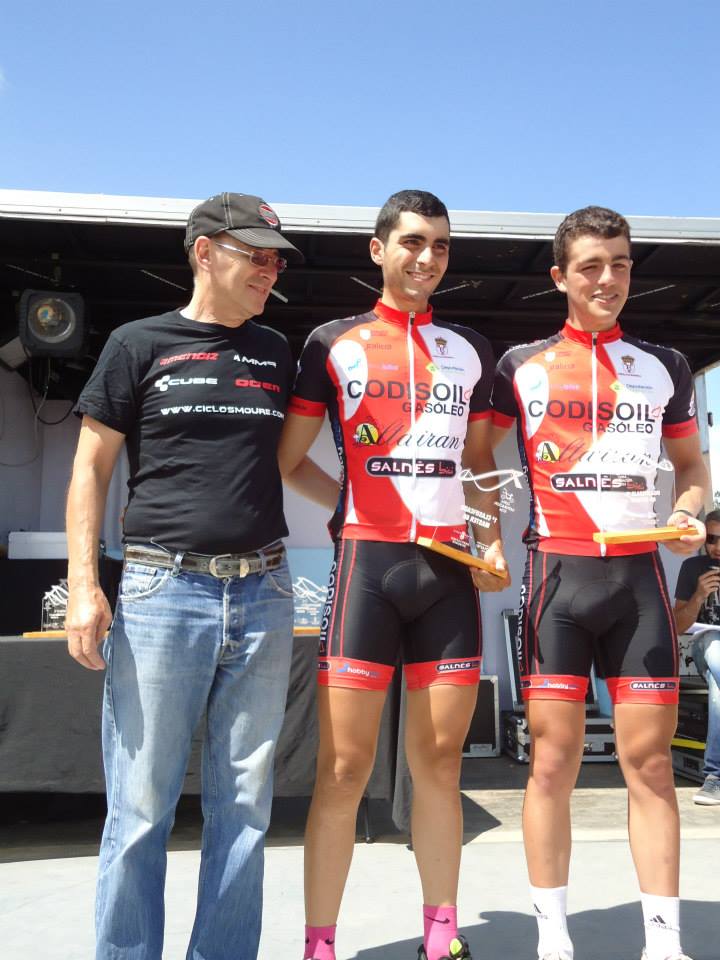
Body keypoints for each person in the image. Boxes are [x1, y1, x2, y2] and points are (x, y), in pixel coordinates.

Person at [65, 192, 303, 960]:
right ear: (205, 252)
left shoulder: (277, 351)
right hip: (162, 592)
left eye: (275, 259)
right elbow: (90, 468)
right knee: (140, 809)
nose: (269, 270)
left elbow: (294, 461)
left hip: (264, 592)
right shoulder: (137, 343)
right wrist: (84, 584)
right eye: (254, 254)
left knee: (246, 810)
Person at [278, 189, 509, 960]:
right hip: (367, 568)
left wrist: (490, 541)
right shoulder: (332, 342)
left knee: (439, 764)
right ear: (378, 249)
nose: (427, 257)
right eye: (412, 241)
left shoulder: (470, 348)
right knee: (344, 768)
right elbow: (289, 460)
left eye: (440, 245)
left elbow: (479, 463)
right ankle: (319, 945)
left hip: (448, 574)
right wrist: (354, 504)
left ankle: (441, 937)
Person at [490, 206, 707, 960]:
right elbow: (475, 461)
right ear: (560, 276)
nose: (607, 278)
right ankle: (553, 937)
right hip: (557, 576)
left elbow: (692, 469)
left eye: (619, 264)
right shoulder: (519, 364)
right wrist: (483, 537)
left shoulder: (665, 365)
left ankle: (664, 942)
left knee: (650, 765)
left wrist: (687, 513)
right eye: (590, 265)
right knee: (552, 764)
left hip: (639, 581)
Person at [673, 508, 720, 806]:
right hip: (708, 644)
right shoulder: (693, 567)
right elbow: (677, 625)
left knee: (718, 690)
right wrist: (699, 595)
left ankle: (715, 776)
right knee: (716, 649)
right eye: (711, 539)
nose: (716, 546)